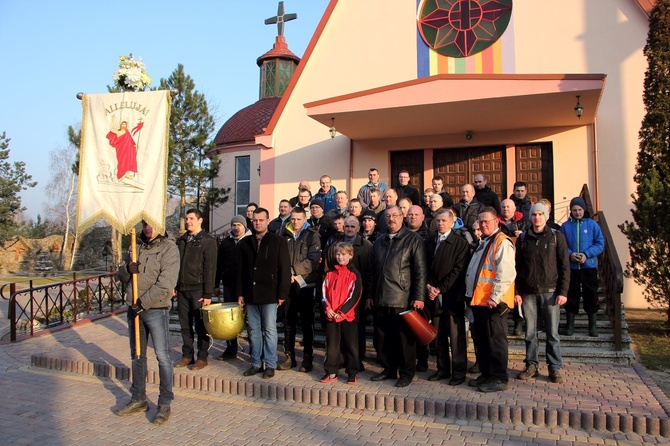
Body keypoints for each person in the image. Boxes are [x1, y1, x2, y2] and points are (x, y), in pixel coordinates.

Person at [115, 220, 178, 425]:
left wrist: (142, 303)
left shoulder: (169, 248)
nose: (148, 228)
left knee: (163, 356)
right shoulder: (136, 246)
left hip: (155, 309)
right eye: (145, 224)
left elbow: (166, 283)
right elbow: (121, 275)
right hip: (134, 310)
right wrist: (127, 269)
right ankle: (138, 398)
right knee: (137, 355)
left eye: (152, 224)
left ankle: (165, 402)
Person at [367, 206, 427, 388]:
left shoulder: (413, 240)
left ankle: (407, 372)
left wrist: (419, 296)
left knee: (404, 340)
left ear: (403, 218)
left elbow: (420, 271)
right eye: (388, 216)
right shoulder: (379, 241)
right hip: (380, 296)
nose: (391, 219)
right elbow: (371, 271)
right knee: (383, 338)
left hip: (402, 297)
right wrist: (370, 295)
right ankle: (388, 369)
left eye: (394, 215)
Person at [514, 203, 570, 384]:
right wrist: (517, 291)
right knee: (530, 332)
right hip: (528, 292)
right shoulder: (523, 239)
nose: (537, 218)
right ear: (530, 217)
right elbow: (517, 267)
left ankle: (555, 367)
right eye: (534, 214)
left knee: (552, 333)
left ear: (546, 216)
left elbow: (564, 266)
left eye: (540, 214)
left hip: (551, 292)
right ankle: (531, 364)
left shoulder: (556, 237)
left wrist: (563, 291)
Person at [465, 207, 516, 392]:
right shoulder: (484, 242)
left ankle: (499, 378)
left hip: (493, 303)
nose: (483, 224)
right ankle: (486, 374)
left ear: (497, 221)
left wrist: (495, 297)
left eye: (486, 221)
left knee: (496, 341)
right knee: (483, 341)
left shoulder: (501, 242)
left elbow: (507, 273)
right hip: (480, 301)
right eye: (480, 221)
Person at [237, 207, 291, 378]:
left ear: (268, 221)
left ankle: (270, 363)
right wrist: (240, 293)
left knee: (269, 330)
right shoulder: (245, 243)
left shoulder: (278, 241)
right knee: (253, 330)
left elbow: (285, 270)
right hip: (250, 294)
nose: (258, 223)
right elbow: (240, 271)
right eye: (255, 220)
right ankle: (255, 363)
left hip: (270, 294)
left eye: (261, 220)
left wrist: (282, 294)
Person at [425, 209, 470, 386]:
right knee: (438, 336)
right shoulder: (429, 242)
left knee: (456, 337)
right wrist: (428, 285)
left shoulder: (459, 243)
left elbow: (459, 270)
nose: (440, 223)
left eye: (444, 220)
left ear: (452, 222)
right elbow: (424, 266)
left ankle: (459, 372)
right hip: (433, 296)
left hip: (452, 297)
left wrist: (440, 288)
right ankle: (442, 369)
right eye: (438, 220)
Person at [174, 209, 218, 371]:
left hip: (198, 290)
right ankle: (187, 355)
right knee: (184, 325)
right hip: (182, 289)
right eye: (186, 218)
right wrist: (174, 285)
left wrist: (208, 293)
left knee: (201, 326)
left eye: (191, 218)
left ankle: (202, 357)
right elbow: (175, 265)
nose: (188, 221)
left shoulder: (208, 241)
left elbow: (210, 268)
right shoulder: (182, 241)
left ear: (200, 220)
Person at [279, 207, 322, 372]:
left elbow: (313, 260)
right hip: (287, 285)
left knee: (306, 323)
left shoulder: (312, 236)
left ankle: (307, 357)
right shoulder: (283, 235)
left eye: (298, 219)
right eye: (293, 219)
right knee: (288, 322)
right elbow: (280, 257)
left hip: (305, 285)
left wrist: (293, 271)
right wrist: (286, 273)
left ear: (305, 219)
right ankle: (289, 356)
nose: (295, 222)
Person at [560, 197, 605, 337]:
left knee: (591, 294)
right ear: (571, 211)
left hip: (589, 266)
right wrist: (570, 254)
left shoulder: (592, 225)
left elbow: (600, 243)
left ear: (584, 209)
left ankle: (592, 326)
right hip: (572, 268)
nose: (577, 213)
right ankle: (570, 325)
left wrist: (586, 254)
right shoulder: (565, 226)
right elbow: (561, 245)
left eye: (579, 210)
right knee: (571, 295)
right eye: (574, 210)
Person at [320, 242, 363, 384]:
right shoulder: (329, 273)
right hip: (332, 316)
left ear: (350, 255)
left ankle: (352, 372)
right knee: (332, 346)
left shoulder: (354, 274)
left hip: (348, 316)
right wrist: (328, 308)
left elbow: (355, 295)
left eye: (343, 254)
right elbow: (323, 293)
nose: (340, 257)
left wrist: (342, 312)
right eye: (338, 254)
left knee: (351, 345)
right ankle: (331, 371)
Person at [214, 215, 251, 361]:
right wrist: (216, 284)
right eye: (234, 224)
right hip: (229, 285)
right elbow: (219, 265)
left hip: (247, 286)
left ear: (244, 226)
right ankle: (231, 349)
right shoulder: (225, 243)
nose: (236, 227)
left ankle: (253, 350)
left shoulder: (250, 241)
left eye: (239, 225)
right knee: (229, 319)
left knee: (249, 319)